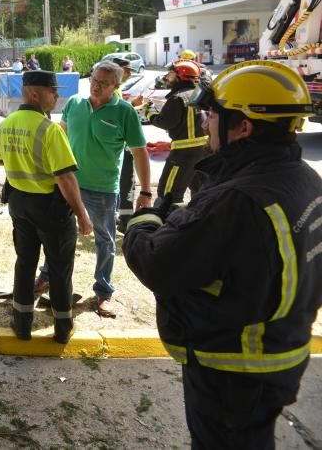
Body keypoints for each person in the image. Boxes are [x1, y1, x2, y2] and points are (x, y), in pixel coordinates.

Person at [124, 60, 322, 448]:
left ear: (243, 126)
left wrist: (141, 222)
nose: (205, 124)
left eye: (212, 115)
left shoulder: (237, 200)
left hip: (234, 368)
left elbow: (158, 264)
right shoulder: (302, 179)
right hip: (280, 351)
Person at [35, 61, 152, 318]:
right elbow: (61, 136)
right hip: (68, 184)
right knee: (57, 235)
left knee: (104, 240)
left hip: (103, 188)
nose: (96, 86)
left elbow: (140, 152)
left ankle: (104, 291)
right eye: (94, 80)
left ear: (116, 86)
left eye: (103, 83)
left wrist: (145, 191)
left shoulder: (124, 112)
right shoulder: (75, 104)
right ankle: (47, 276)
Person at [0, 71, 93, 343]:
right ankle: (62, 328)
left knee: (25, 263)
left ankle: (22, 325)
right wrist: (82, 214)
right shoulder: (49, 130)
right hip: (51, 208)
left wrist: (21, 161)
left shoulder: (6, 124)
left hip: (19, 203)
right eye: (52, 91)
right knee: (60, 268)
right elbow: (66, 177)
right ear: (34, 94)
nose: (56, 96)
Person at [145, 59, 208, 205]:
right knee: (200, 193)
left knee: (168, 194)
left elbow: (166, 122)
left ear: (181, 76)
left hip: (182, 155)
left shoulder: (177, 97)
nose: (167, 77)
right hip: (204, 153)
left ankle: (167, 224)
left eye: (171, 74)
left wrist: (149, 112)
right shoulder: (198, 94)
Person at [111, 58, 145, 231]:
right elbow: (117, 114)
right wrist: (134, 106)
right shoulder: (115, 91)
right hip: (122, 147)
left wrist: (134, 106)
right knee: (126, 182)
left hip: (119, 146)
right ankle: (124, 219)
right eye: (128, 70)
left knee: (123, 182)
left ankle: (120, 216)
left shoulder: (116, 89)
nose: (130, 74)